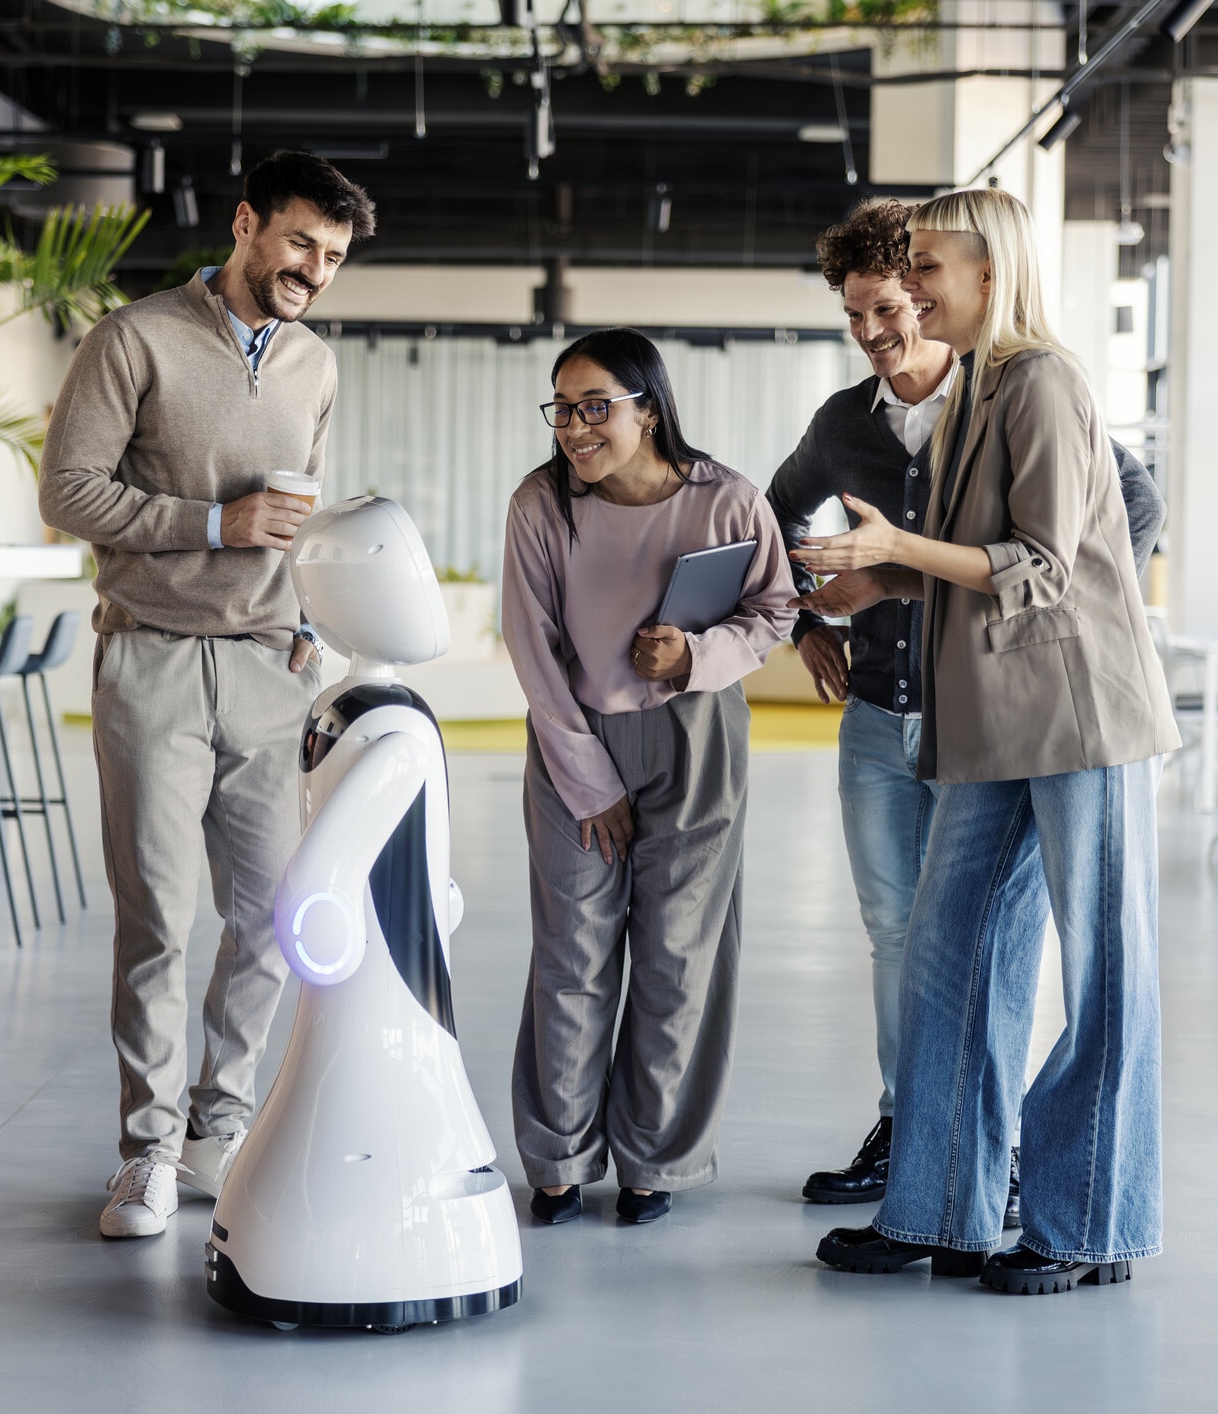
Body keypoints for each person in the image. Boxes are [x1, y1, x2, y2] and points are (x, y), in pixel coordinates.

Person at [797, 188, 1180, 1293]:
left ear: (990, 269)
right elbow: (977, 559)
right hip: (994, 719)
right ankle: (939, 1207)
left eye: (927, 266)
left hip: (1080, 716)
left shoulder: (1045, 381)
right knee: (948, 957)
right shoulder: (977, 388)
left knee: (1102, 970)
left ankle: (1088, 1225)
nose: (911, 287)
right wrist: (880, 582)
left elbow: (1045, 565)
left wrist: (897, 547)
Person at [38, 150, 377, 1240]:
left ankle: (216, 1129)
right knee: (155, 918)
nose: (313, 269)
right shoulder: (133, 338)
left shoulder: (315, 363)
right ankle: (145, 1152)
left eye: (333, 255)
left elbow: (305, 510)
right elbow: (67, 491)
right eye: (299, 242)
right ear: (245, 225)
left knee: (271, 917)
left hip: (270, 664)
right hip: (151, 659)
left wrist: (313, 619)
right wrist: (212, 525)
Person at [504, 328, 798, 1227]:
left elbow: (774, 611)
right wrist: (589, 781)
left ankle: (654, 1161)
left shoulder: (729, 500)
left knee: (678, 955)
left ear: (650, 409)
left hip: (694, 737)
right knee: (571, 954)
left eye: (596, 406)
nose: (574, 428)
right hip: (575, 742)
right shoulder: (541, 505)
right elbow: (532, 647)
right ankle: (558, 1157)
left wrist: (696, 656)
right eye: (562, 409)